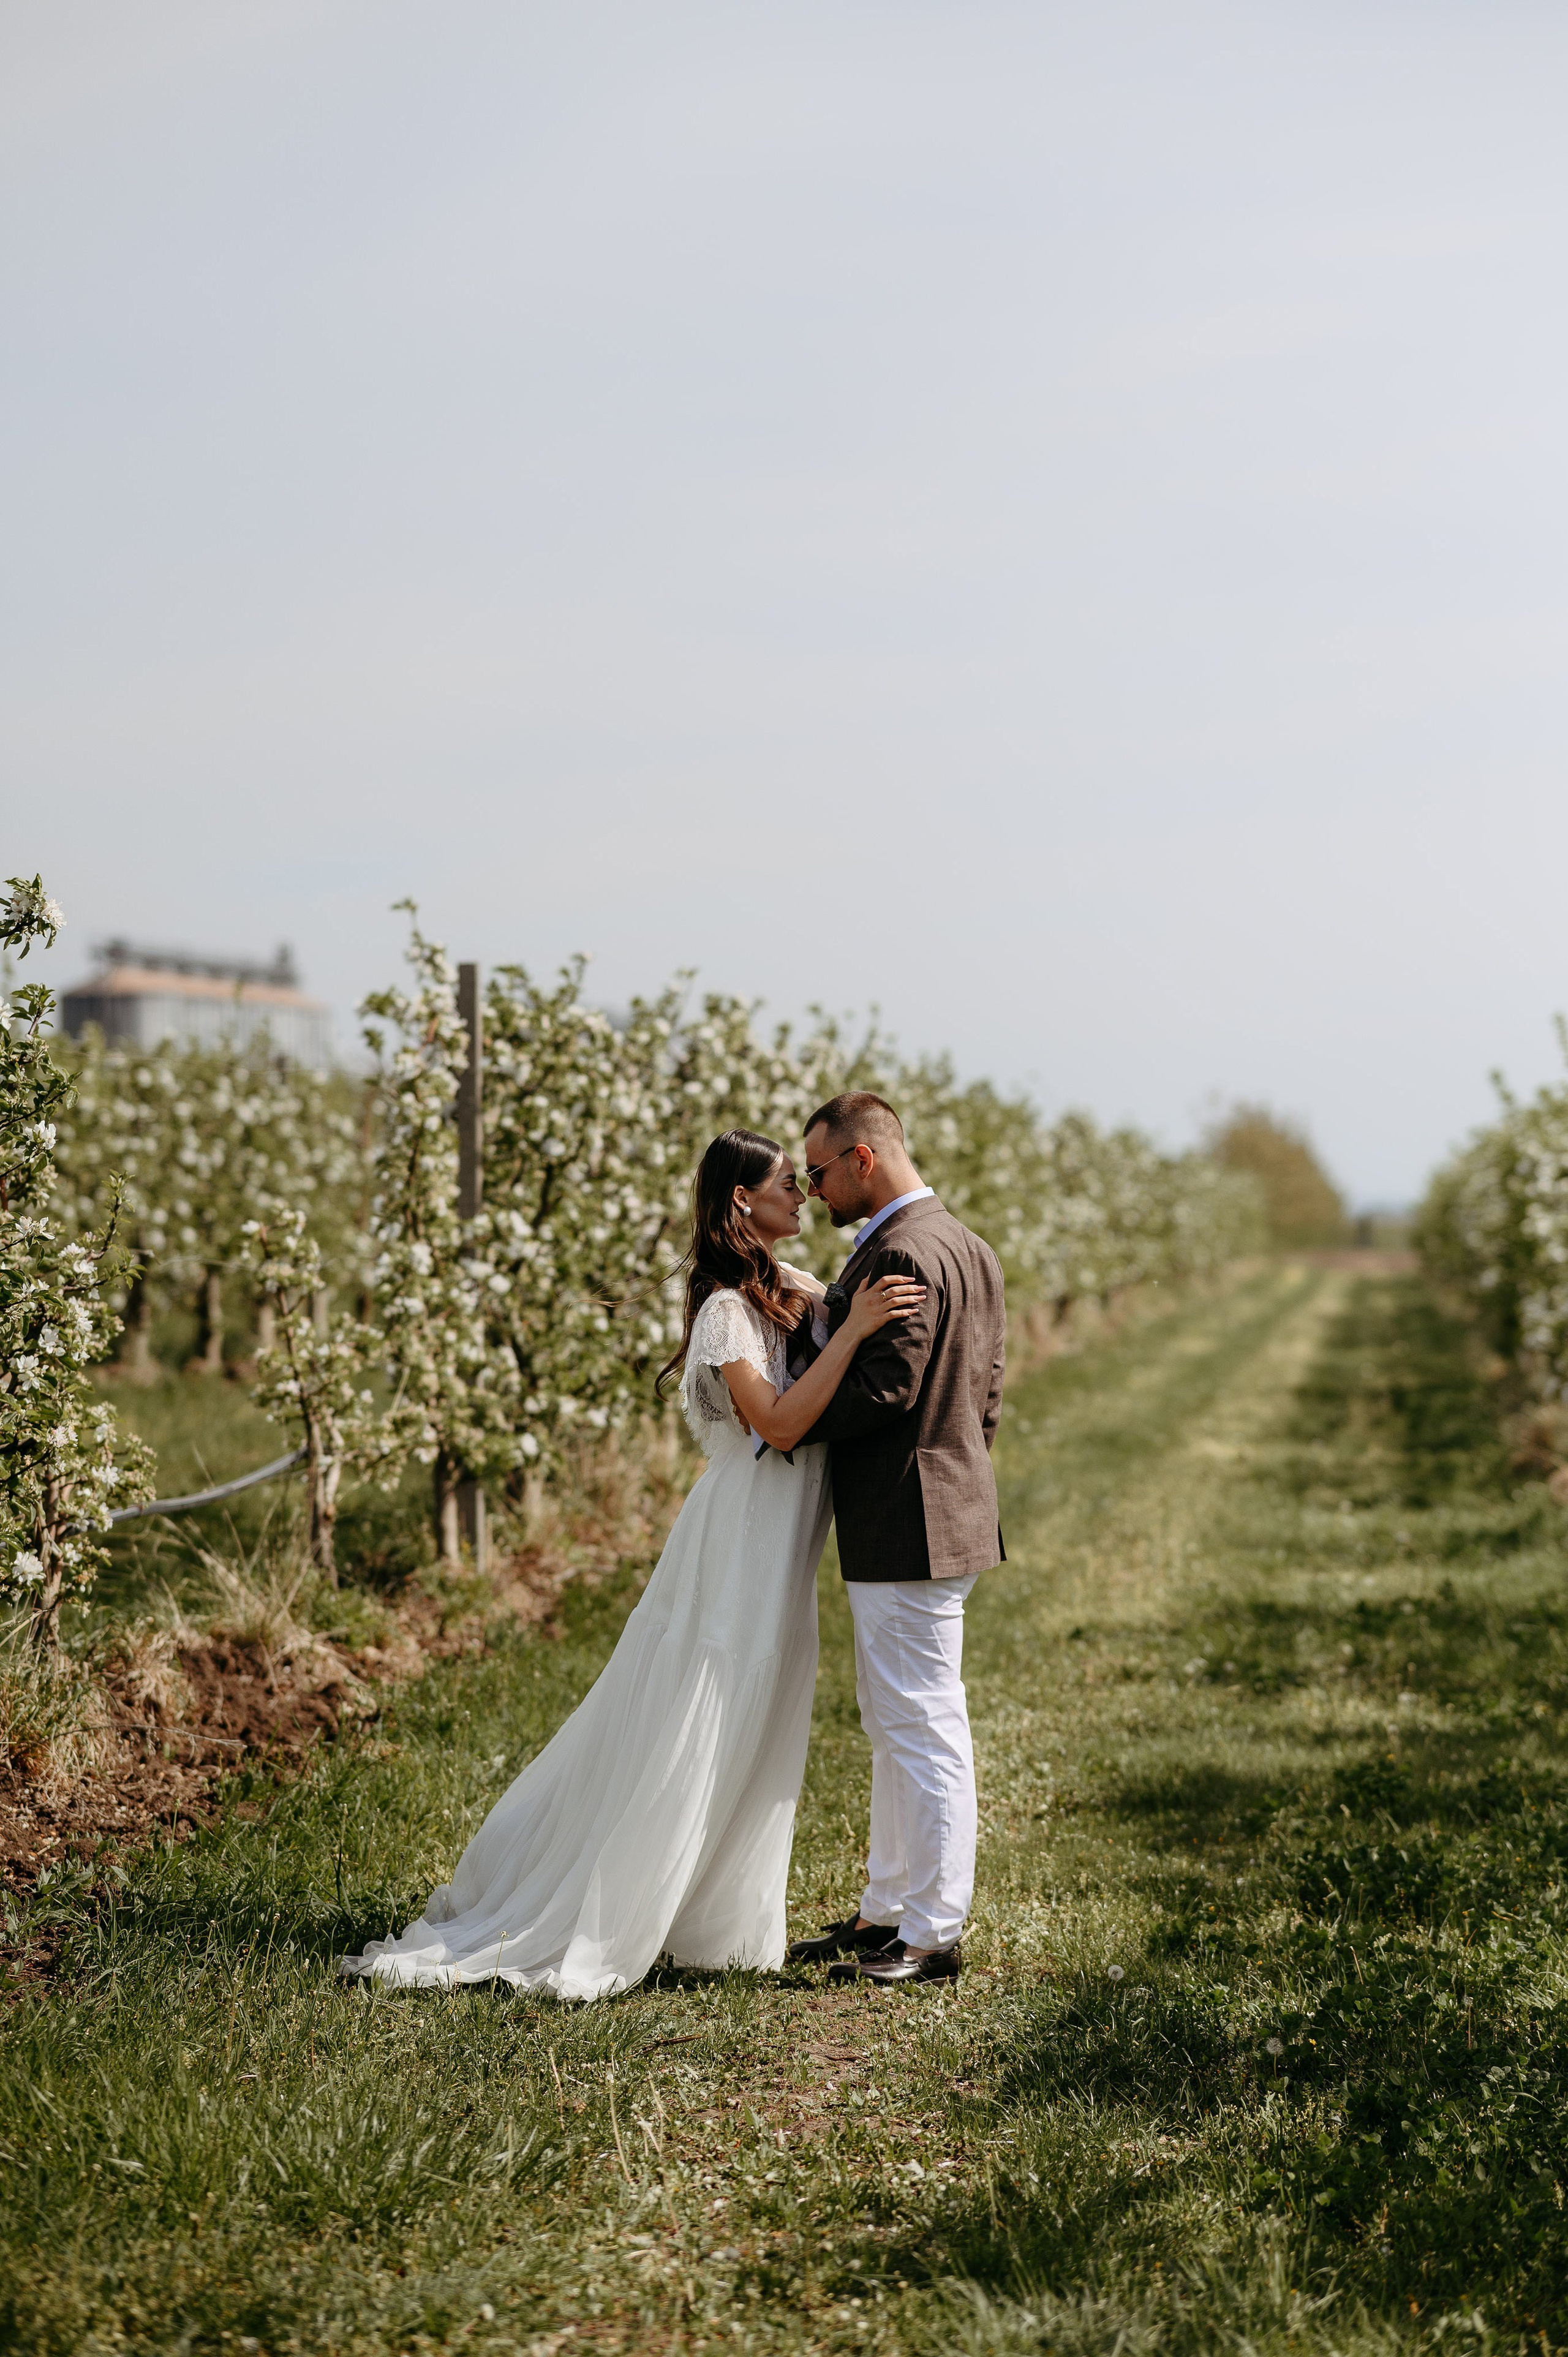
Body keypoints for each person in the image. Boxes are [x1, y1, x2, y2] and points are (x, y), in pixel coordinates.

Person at [337, 1127, 923, 2003]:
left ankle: (711, 1924)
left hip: (784, 1541)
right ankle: (619, 1911)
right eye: (784, 1184)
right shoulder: (725, 1309)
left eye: (808, 1180)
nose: (802, 1193)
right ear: (741, 1201)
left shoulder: (793, 1287)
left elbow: (840, 1331)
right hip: (740, 1537)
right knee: (705, 1711)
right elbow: (781, 1424)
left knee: (760, 1718)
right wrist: (856, 1334)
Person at [784, 1091, 1006, 1988]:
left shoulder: (904, 1249)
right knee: (894, 1719)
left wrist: (785, 1420)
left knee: (921, 1723)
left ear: (863, 1161)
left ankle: (932, 1932)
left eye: (819, 1172)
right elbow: (985, 1391)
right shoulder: (967, 1243)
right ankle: (888, 1906)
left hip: (908, 1515)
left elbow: (887, 1391)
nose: (814, 1189)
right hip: (939, 1503)